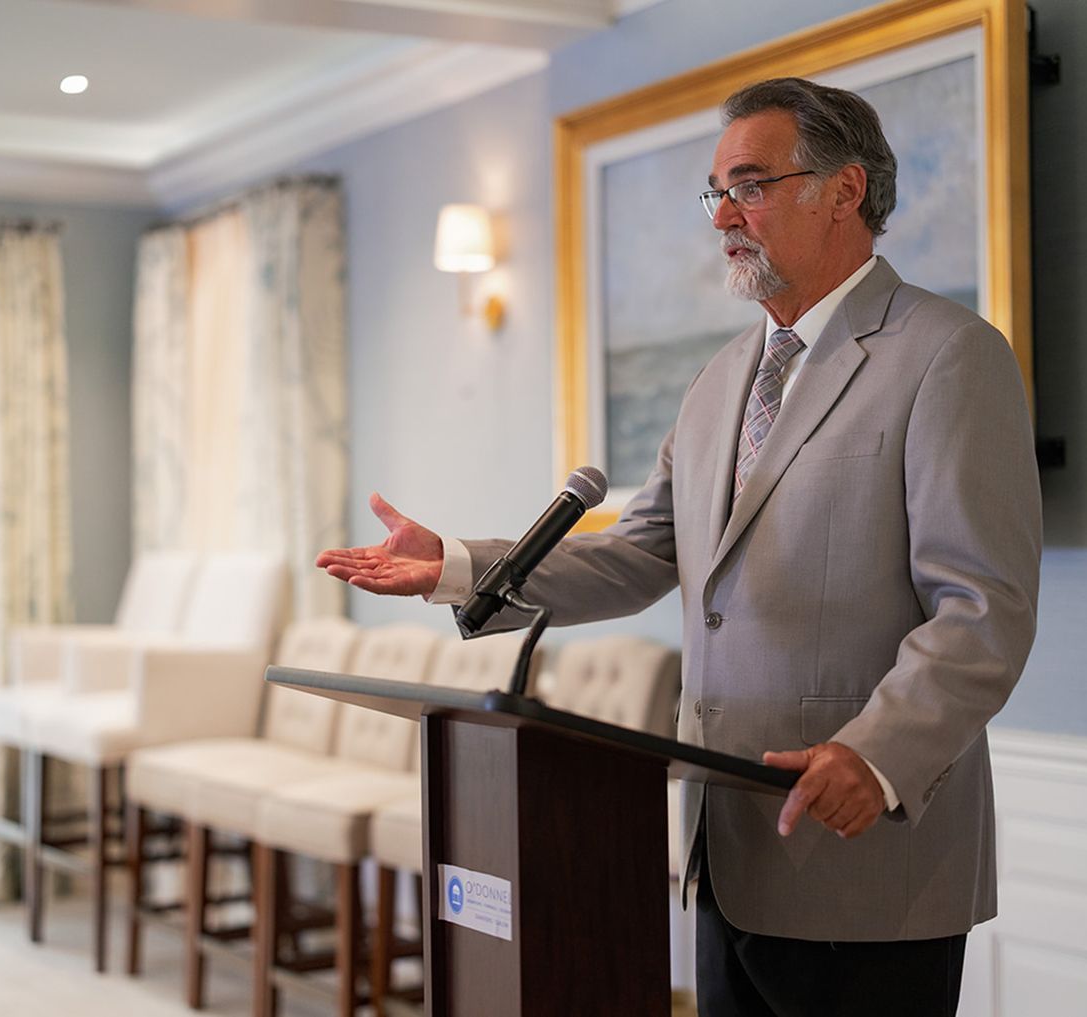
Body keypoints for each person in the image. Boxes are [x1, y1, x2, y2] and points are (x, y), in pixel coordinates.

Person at [316, 77, 1041, 1017]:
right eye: (716, 193)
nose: (722, 218)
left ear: (844, 190)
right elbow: (639, 552)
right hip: (725, 840)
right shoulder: (721, 377)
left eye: (748, 185)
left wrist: (874, 753)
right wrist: (456, 564)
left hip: (862, 846)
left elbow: (983, 610)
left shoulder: (947, 354)